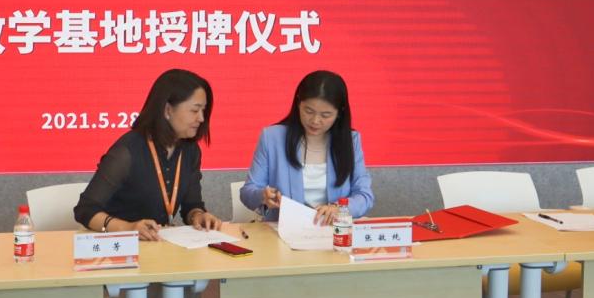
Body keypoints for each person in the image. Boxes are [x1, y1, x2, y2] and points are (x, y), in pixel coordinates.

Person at [75, 68, 223, 238]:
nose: (201, 118)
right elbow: (85, 209)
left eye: (204, 110)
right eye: (195, 110)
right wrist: (128, 227)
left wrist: (198, 216)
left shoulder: (190, 150)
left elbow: (192, 205)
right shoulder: (128, 151)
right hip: (120, 245)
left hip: (157, 243)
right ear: (168, 110)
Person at [240, 70, 374, 223]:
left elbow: (365, 196)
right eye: (308, 111)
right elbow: (247, 192)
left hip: (333, 230)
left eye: (325, 115)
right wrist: (262, 196)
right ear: (298, 103)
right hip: (283, 230)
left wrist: (340, 208)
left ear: (339, 113)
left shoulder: (350, 140)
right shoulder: (272, 137)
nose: (315, 121)